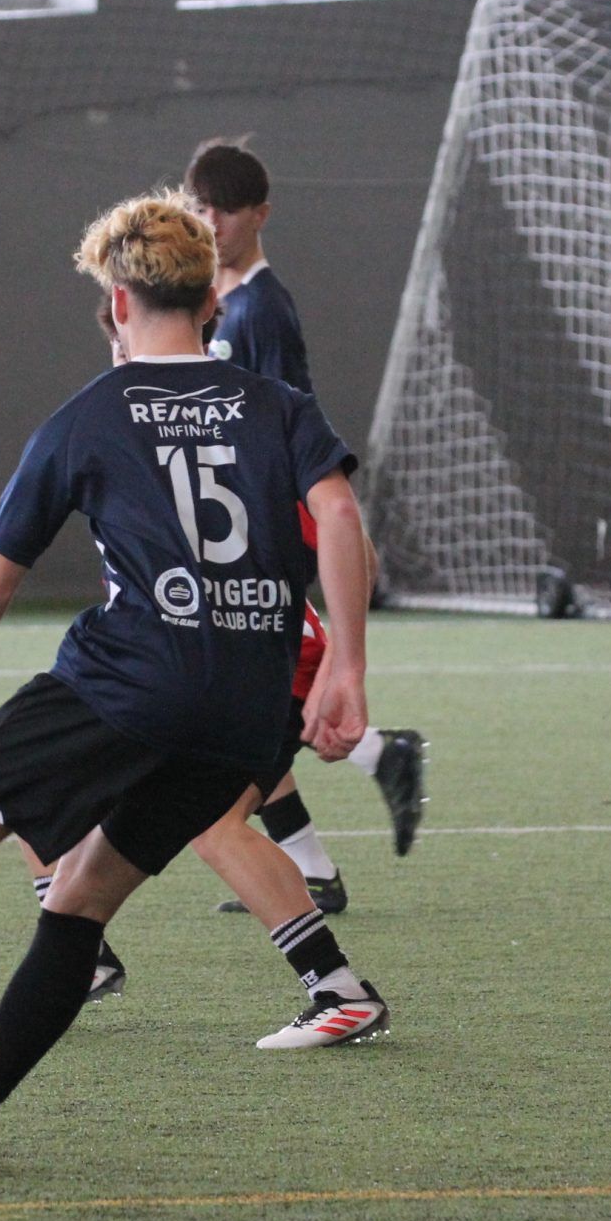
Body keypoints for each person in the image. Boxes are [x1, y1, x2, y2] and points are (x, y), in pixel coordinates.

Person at [0, 192, 381, 1177]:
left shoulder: (89, 417)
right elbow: (338, 519)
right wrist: (346, 664)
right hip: (249, 714)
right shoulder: (277, 408)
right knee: (78, 903)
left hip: (131, 679)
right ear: (211, 301)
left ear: (119, 304)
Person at [16, 301, 389, 1051]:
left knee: (212, 825)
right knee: (32, 783)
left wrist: (339, 663)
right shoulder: (124, 428)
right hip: (182, 673)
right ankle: (83, 955)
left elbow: (348, 538)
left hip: (260, 667)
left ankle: (338, 989)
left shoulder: (237, 430)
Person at [183, 137, 427, 914]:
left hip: (269, 523)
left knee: (261, 692)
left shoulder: (263, 309)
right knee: (254, 695)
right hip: (232, 522)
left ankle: (375, 761)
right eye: (201, 207)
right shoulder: (208, 300)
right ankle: (327, 843)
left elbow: (287, 429)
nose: (211, 223)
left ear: (260, 215)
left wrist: (320, 533)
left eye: (225, 210)